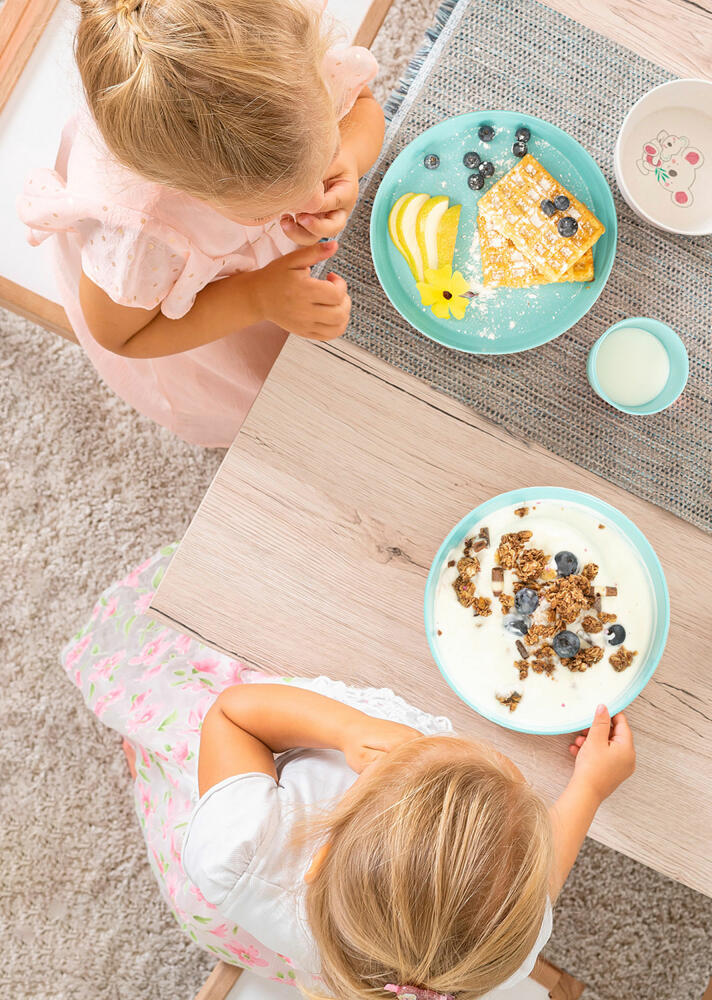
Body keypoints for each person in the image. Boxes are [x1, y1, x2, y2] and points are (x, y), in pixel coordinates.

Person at [63, 545, 637, 997]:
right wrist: (588, 787)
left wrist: (341, 730)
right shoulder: (495, 958)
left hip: (234, 843)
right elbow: (534, 887)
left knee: (177, 736)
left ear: (323, 845)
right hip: (311, 949)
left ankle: (155, 761)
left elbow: (232, 718)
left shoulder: (241, 840)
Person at [18, 0, 385, 447]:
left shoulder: (283, 61)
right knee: (261, 396)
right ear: (193, 193)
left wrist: (346, 158)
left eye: (322, 154)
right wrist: (256, 298)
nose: (314, 199)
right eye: (266, 210)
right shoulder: (141, 237)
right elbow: (123, 335)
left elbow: (363, 107)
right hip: (188, 308)